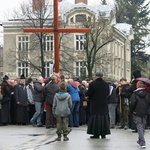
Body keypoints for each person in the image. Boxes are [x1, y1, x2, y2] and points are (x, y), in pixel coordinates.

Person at [87, 72, 110, 139]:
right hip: (103, 103)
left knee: (95, 118)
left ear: (96, 76)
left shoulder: (92, 84)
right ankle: (103, 134)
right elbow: (108, 93)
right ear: (102, 76)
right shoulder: (106, 84)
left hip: (95, 103)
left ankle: (96, 134)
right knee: (103, 118)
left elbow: (89, 93)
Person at [129, 81, 150, 149]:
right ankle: (140, 140)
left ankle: (142, 142)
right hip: (145, 111)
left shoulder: (134, 94)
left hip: (136, 111)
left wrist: (131, 111)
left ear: (138, 85)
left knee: (139, 126)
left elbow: (132, 103)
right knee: (143, 126)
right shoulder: (147, 93)